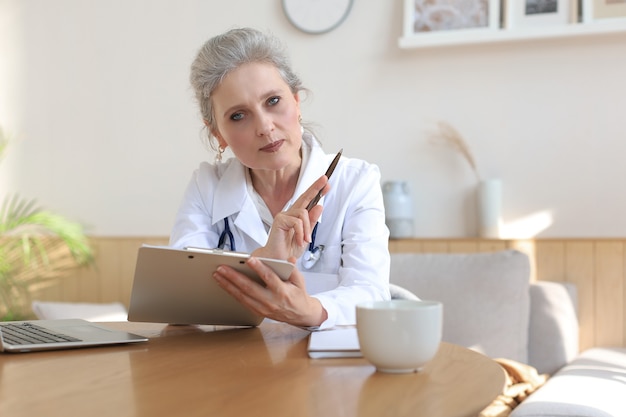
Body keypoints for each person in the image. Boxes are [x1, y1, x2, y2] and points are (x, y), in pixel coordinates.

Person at [170, 27, 390, 329]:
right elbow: (178, 302)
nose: (264, 126)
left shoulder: (356, 182)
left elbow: (372, 294)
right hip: (234, 368)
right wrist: (262, 262)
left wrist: (311, 310)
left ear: (297, 103)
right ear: (218, 134)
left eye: (273, 101)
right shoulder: (206, 186)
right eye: (238, 115)